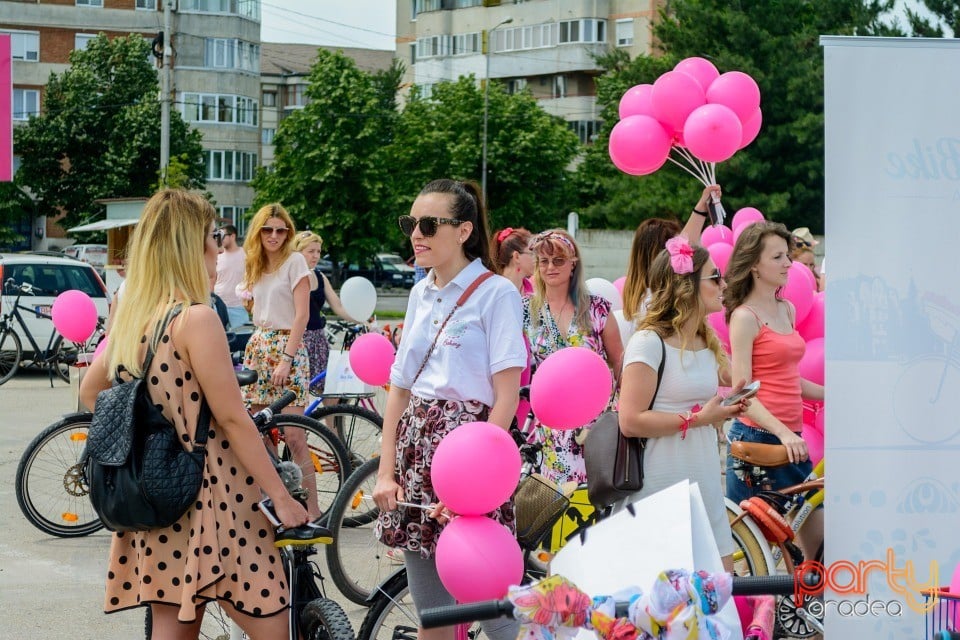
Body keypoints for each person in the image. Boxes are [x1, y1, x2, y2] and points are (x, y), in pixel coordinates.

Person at [79, 189, 310, 640]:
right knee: (272, 625)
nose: (217, 251)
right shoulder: (196, 319)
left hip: (162, 495)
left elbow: (91, 393)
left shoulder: (137, 314)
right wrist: (281, 497)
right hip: (219, 491)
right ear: (190, 245)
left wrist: (154, 431)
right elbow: (232, 419)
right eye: (210, 237)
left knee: (174, 624)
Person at [372, 179, 526, 640]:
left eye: (427, 224)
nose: (415, 234)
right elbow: (398, 388)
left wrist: (476, 481)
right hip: (415, 449)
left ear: (463, 230)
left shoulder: (496, 293)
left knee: (494, 607)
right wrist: (385, 471)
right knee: (434, 613)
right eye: (410, 223)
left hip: (470, 453)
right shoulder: (420, 293)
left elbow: (507, 396)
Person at [618, 236, 748, 572]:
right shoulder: (648, 342)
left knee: (717, 589)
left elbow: (740, 379)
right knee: (662, 606)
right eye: (715, 277)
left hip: (703, 483)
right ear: (686, 286)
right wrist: (698, 419)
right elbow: (630, 420)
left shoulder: (707, 342)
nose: (723, 284)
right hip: (659, 488)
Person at [723, 221, 825, 563]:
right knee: (757, 556)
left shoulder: (787, 309)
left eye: (787, 256)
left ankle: (812, 612)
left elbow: (789, 380)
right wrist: (783, 433)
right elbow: (742, 394)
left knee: (817, 545)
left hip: (791, 442)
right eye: (778, 257)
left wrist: (836, 394)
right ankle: (761, 616)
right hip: (758, 445)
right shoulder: (744, 317)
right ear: (754, 265)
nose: (788, 264)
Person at [523, 228, 623, 486]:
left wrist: (622, 411)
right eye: (543, 261)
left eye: (558, 260)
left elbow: (619, 361)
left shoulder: (597, 308)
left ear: (573, 263)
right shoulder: (527, 311)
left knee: (598, 495)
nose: (550, 267)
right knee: (557, 501)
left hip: (595, 423)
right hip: (552, 425)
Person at [239, 204, 321, 518]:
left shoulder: (295, 261)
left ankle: (313, 511)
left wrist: (286, 358)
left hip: (289, 347)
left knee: (295, 435)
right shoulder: (255, 264)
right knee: (258, 432)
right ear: (258, 231)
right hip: (259, 345)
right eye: (267, 229)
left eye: (280, 229)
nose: (274, 236)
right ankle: (278, 501)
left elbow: (302, 314)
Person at [620, 185, 721, 347]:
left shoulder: (646, 298)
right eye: (676, 249)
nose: (685, 254)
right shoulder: (652, 302)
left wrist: (701, 208)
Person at [292, 230, 365, 397]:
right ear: (298, 253)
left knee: (328, 391)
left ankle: (331, 424)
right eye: (310, 251)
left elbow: (338, 307)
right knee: (297, 393)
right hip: (297, 339)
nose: (316, 256)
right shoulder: (291, 275)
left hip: (318, 340)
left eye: (318, 251)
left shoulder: (319, 275)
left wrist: (361, 319)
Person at [214, 224, 249, 328]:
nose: (219, 239)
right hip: (218, 306)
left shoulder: (246, 255)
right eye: (217, 236)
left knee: (241, 340)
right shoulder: (217, 255)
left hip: (238, 307)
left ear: (233, 236)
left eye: (222, 236)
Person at [490, 226, 535, 295]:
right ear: (516, 257)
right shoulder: (496, 290)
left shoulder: (530, 287)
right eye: (532, 254)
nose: (538, 259)